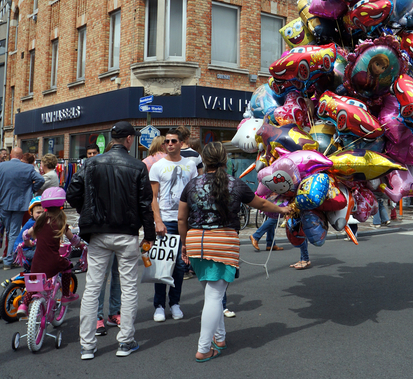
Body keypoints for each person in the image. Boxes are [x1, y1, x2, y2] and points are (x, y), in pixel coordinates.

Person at [177, 141, 292, 362]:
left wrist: (184, 244)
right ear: (225, 160)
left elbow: (181, 218)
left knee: (212, 294)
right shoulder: (235, 184)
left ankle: (220, 338)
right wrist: (283, 209)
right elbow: (263, 204)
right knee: (214, 296)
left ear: (205, 160)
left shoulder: (192, 184)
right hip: (222, 242)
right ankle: (203, 348)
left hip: (195, 242)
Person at [66, 120, 156, 360]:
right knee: (128, 288)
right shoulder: (137, 167)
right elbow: (145, 205)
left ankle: (87, 345)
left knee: (93, 287)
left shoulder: (92, 163)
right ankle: (125, 341)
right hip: (126, 233)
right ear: (128, 140)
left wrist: (88, 209)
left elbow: (72, 192)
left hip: (98, 232)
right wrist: (149, 235)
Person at [149, 128, 198, 322]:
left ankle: (175, 303)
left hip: (185, 220)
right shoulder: (157, 166)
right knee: (162, 265)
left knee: (179, 265)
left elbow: (194, 193)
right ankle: (159, 305)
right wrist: (158, 220)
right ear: (164, 145)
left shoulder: (191, 164)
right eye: (167, 141)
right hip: (166, 221)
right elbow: (153, 197)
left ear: (180, 143)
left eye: (174, 141)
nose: (170, 144)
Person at [17, 188, 81, 316]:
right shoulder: (60, 222)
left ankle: (24, 305)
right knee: (68, 266)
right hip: (53, 261)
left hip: (37, 261)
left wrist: (28, 242)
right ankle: (66, 295)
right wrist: (80, 244)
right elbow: (73, 239)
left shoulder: (39, 222)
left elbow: (26, 235)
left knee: (35, 284)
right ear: (61, 205)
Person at [0, 147, 45, 270]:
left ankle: (8, 259)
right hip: (19, 203)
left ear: (10, 155)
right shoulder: (28, 168)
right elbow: (40, 180)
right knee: (13, 231)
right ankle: (8, 261)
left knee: (7, 231)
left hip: (3, 202)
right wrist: (31, 190)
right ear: (21, 157)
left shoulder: (2, 166)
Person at [12, 196, 43, 271]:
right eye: (38, 212)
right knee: (41, 257)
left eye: (43, 212)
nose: (41, 215)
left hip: (28, 248)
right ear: (31, 213)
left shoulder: (36, 222)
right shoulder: (33, 224)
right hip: (23, 250)